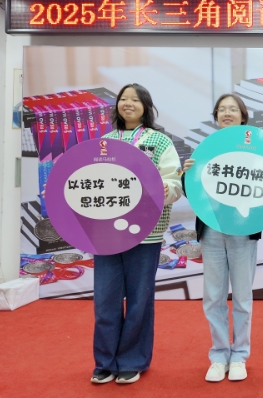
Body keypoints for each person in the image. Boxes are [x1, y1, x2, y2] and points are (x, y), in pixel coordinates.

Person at [91, 83, 183, 385]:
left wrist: (165, 188)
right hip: (106, 233)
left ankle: (132, 361)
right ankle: (105, 361)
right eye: (123, 99)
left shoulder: (159, 141)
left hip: (147, 232)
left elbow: (174, 182)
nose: (127, 103)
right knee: (105, 300)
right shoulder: (105, 142)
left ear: (146, 107)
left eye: (134, 99)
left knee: (139, 300)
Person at [181, 94, 262, 383]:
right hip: (212, 230)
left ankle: (239, 355)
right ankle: (218, 355)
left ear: (243, 116)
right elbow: (193, 192)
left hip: (243, 231)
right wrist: (186, 175)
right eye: (222, 110)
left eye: (232, 109)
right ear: (216, 117)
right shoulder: (206, 149)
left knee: (242, 296)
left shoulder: (257, 149)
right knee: (213, 296)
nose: (227, 113)